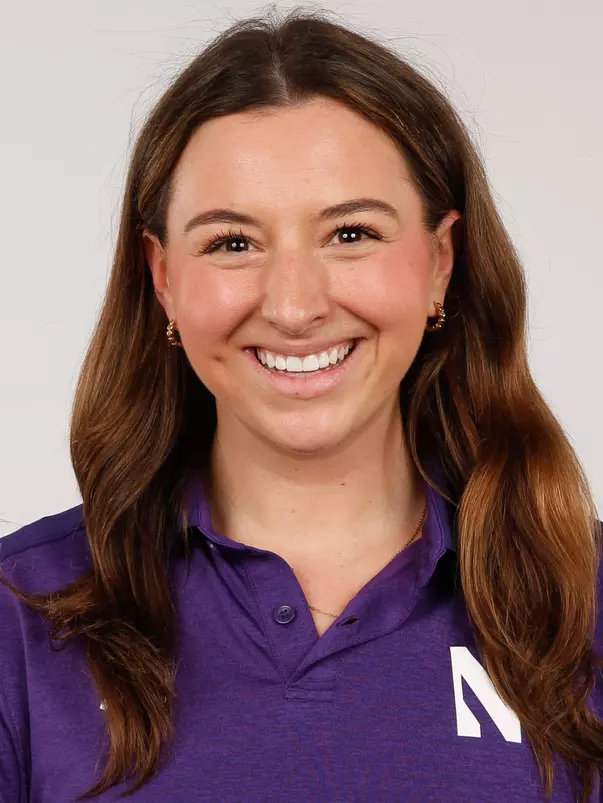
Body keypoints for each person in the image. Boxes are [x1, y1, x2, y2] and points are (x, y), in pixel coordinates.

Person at [1, 8, 602, 803]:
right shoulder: (18, 616)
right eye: (232, 243)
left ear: (439, 264)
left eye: (351, 233)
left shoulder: (582, 604)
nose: (293, 304)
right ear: (163, 279)